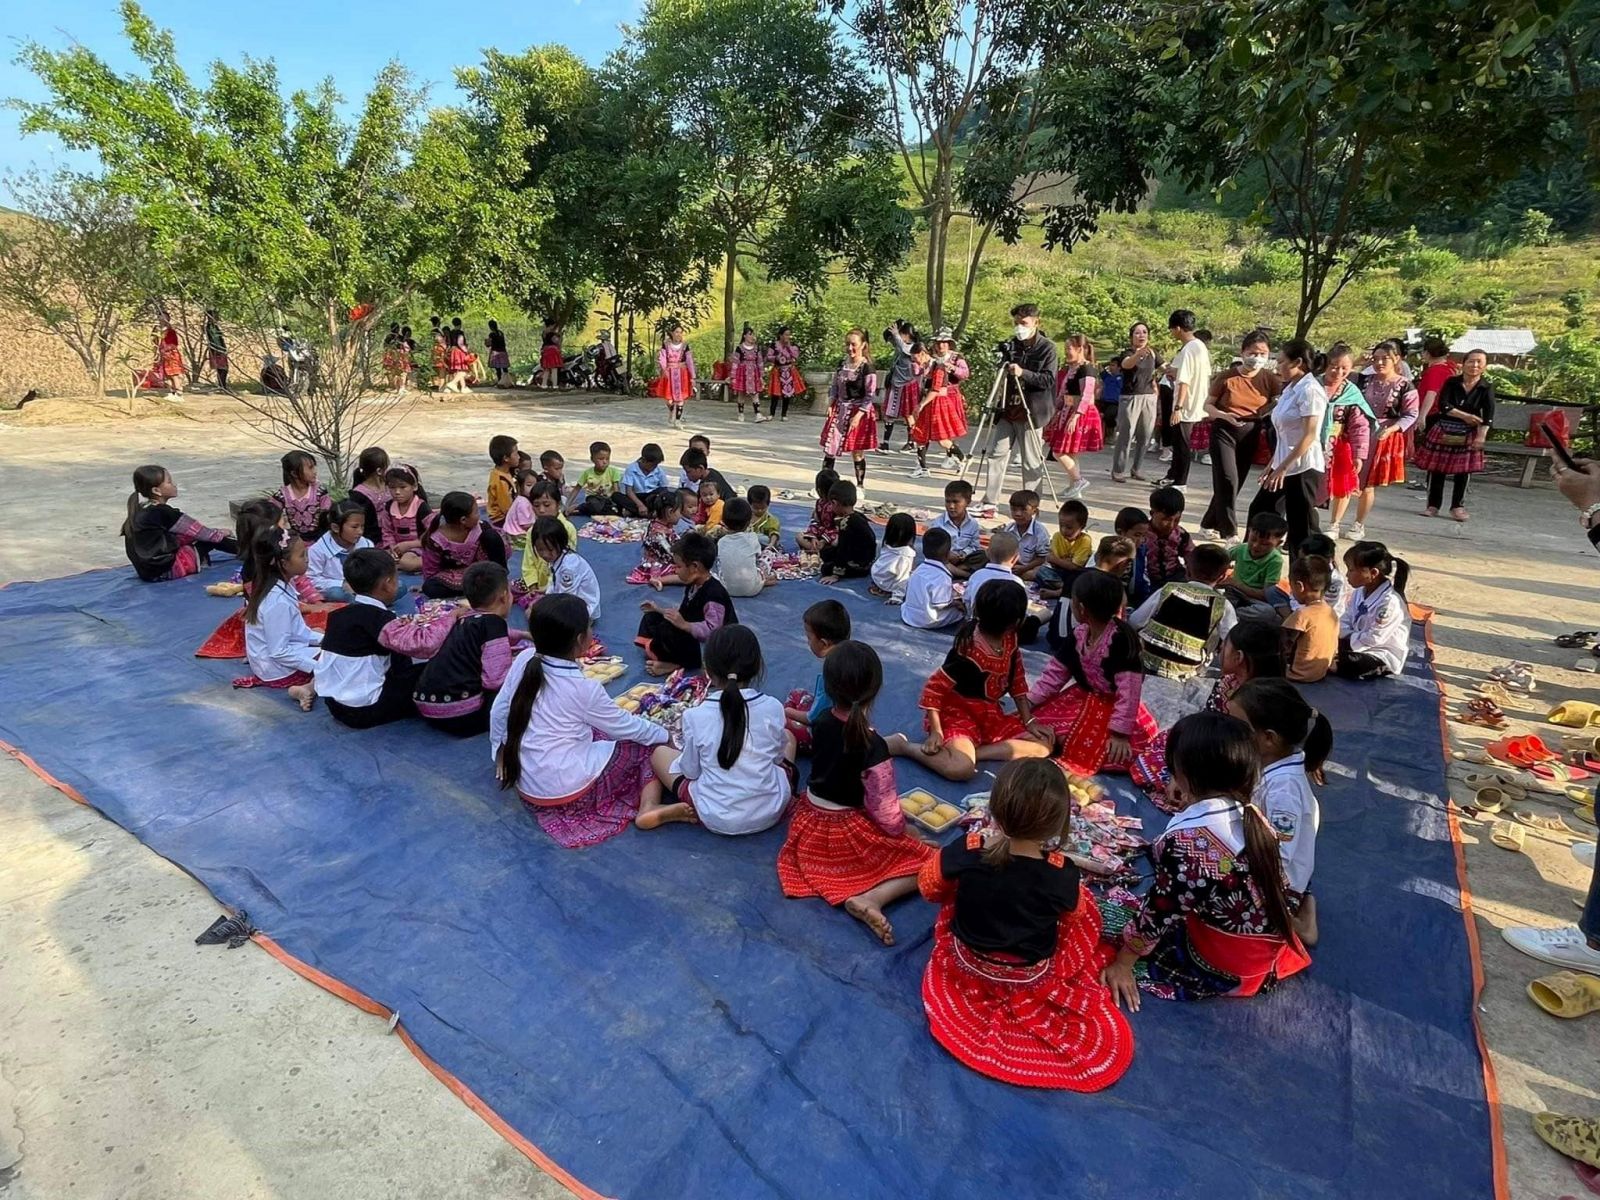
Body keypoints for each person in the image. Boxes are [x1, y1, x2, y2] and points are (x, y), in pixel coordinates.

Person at [917, 758, 1133, 1092]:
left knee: (954, 889)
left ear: (995, 810)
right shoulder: (1061, 874)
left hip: (968, 963)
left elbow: (929, 888)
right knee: (1086, 909)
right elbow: (1073, 918)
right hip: (1027, 975)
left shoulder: (967, 850)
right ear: (1057, 825)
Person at [1101, 711, 1311, 1007]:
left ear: (1183, 774)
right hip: (1262, 954)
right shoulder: (1252, 816)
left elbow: (1159, 913)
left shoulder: (1190, 845)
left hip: (1225, 965)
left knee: (1101, 915)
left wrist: (1123, 964)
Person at [776, 640, 933, 945]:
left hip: (808, 821)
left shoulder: (821, 721)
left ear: (828, 687)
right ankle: (873, 897)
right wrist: (906, 831)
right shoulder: (873, 747)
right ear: (875, 691)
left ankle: (864, 894)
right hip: (844, 830)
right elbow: (885, 811)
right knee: (931, 861)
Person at [493, 594, 671, 847]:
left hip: (528, 782)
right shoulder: (583, 688)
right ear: (580, 640)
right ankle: (649, 806)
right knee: (646, 746)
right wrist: (667, 736)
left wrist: (501, 753)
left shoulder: (524, 659)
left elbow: (499, 711)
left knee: (597, 731)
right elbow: (627, 727)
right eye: (588, 627)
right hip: (567, 789)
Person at [636, 625, 797, 832]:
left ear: (708, 670)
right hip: (770, 811)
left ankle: (650, 805)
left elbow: (691, 771)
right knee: (788, 737)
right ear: (758, 666)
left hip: (714, 814)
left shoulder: (695, 715)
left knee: (658, 753)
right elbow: (776, 758)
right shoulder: (773, 707)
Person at [889, 580, 1052, 781]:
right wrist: (936, 732)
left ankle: (974, 753)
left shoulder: (1010, 640)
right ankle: (904, 746)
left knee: (1043, 745)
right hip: (958, 716)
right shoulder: (968, 652)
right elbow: (933, 690)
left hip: (989, 717)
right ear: (1016, 622)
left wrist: (1029, 721)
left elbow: (1017, 681)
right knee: (962, 769)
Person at [1230, 678, 1332, 947]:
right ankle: (1302, 899)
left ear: (1269, 738)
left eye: (1238, 727)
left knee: (1217, 896)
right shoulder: (1271, 763)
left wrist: (1231, 867)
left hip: (1279, 882)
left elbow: (1279, 859)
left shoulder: (1283, 791)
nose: (1229, 732)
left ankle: (1296, 922)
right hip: (1279, 863)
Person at [1029, 570, 1157, 776]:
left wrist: (1119, 735)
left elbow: (1129, 693)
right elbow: (1055, 675)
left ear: (1081, 608)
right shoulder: (1079, 635)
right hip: (1083, 698)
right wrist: (1030, 702)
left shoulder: (1121, 642)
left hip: (1116, 708)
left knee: (1104, 748)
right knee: (1038, 724)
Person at [315, 548, 450, 729]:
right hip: (365, 710)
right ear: (388, 584)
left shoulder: (338, 616)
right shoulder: (378, 619)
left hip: (335, 705)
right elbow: (425, 645)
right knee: (434, 668)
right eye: (396, 579)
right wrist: (451, 617)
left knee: (401, 658)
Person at [1197, 330, 1282, 538]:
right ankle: (1230, 533)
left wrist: (1268, 410)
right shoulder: (1227, 377)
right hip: (1224, 430)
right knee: (1228, 480)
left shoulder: (1269, 378)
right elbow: (1207, 405)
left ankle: (1208, 523)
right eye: (1253, 353)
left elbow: (1278, 401)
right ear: (1243, 352)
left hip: (1251, 432)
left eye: (1262, 354)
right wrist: (1223, 415)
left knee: (1233, 485)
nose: (1257, 358)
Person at [1333, 340, 1418, 540]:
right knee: (1346, 477)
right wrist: (1356, 362)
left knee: (1367, 484)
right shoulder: (1362, 379)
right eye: (1376, 358)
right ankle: (1334, 523)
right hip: (1356, 432)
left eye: (1385, 358)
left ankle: (1358, 524)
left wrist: (1393, 429)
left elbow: (1411, 414)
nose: (1379, 363)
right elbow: (1339, 375)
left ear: (1397, 359)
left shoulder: (1405, 386)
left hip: (1382, 436)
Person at [1248, 337, 1328, 550]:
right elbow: (1285, 434)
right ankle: (1254, 561)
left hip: (1302, 467)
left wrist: (1283, 467)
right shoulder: (1290, 389)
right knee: (1260, 511)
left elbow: (1309, 435)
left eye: (1281, 361)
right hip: (1283, 464)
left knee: (1301, 528)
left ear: (1297, 362)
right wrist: (1273, 464)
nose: (1277, 367)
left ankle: (1310, 568)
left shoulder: (1310, 390)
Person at [982, 303, 1058, 508]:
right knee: (996, 454)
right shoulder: (1013, 345)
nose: (1019, 327)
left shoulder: (1048, 348)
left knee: (1031, 461)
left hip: (1032, 412)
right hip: (1008, 408)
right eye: (1016, 323)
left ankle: (1031, 504)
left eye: (1023, 323)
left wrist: (1023, 372)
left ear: (1036, 322)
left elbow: (1048, 380)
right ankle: (990, 501)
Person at [237, 527, 320, 710]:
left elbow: (298, 633)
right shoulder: (277, 602)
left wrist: (326, 640)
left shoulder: (279, 585)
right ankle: (308, 687)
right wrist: (317, 666)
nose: (307, 559)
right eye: (302, 555)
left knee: (330, 642)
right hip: (277, 670)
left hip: (273, 660)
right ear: (284, 563)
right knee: (339, 660)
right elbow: (279, 652)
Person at [1127, 542, 1237, 680]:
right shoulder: (1222, 604)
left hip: (1147, 659)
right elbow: (1233, 641)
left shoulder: (1169, 589)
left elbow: (1135, 621)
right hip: (1188, 669)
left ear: (1187, 571)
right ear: (1223, 577)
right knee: (1218, 633)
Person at [637, 532, 736, 675]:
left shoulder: (714, 594)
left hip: (714, 645)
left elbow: (713, 630)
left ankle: (676, 663)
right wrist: (658, 610)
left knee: (669, 631)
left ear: (694, 567)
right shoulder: (693, 583)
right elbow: (683, 613)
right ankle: (662, 652)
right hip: (691, 629)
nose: (675, 570)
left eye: (678, 566)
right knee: (651, 618)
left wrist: (685, 625)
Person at [1415, 348, 1495, 521]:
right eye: (1471, 361)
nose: (1474, 365)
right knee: (1437, 469)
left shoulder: (1486, 388)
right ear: (1464, 363)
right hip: (1445, 427)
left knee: (1463, 471)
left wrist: (1481, 436)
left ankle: (1457, 506)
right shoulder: (1452, 382)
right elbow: (1444, 405)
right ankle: (1433, 505)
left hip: (1469, 432)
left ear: (1485, 366)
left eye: (1479, 362)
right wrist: (1465, 416)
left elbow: (1488, 416)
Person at [122, 465, 238, 582]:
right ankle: (246, 550)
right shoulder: (162, 512)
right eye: (169, 482)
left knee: (194, 536)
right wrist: (223, 532)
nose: (174, 485)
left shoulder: (141, 509)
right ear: (156, 491)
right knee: (211, 539)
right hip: (167, 571)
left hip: (147, 573)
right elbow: (204, 533)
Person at [1337, 540, 1411, 679]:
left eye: (1351, 570)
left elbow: (1374, 638)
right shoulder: (1359, 592)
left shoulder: (1389, 603)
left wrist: (1347, 637)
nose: (1347, 575)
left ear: (1373, 573)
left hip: (1379, 654)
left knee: (1347, 662)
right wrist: (1343, 634)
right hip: (1353, 641)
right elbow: (1345, 618)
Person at [784, 599, 850, 750]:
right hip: (846, 720)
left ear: (824, 643)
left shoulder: (831, 674)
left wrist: (788, 712)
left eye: (809, 638)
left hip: (830, 734)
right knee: (797, 694)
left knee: (781, 721)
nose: (808, 642)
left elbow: (813, 718)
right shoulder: (851, 659)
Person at [820, 329, 880, 492]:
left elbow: (869, 395)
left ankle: (860, 486)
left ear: (863, 345)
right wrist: (831, 404)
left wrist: (858, 415)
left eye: (854, 344)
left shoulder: (867, 368)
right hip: (840, 409)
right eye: (847, 344)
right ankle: (824, 487)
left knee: (857, 451)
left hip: (859, 411)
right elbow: (835, 386)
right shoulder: (842, 364)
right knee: (830, 447)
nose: (850, 348)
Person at [1042, 333, 1100, 500]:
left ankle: (1078, 480)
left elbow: (1087, 395)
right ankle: (1074, 488)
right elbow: (1063, 393)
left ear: (1080, 349)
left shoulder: (1087, 369)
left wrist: (1076, 416)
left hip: (1079, 413)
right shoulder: (1073, 369)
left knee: (1059, 451)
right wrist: (1057, 410)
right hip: (1068, 410)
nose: (1066, 352)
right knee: (1070, 452)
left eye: (1069, 348)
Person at [1159, 309, 1212, 491]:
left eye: (1172, 329)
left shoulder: (1189, 349)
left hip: (1186, 404)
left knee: (1182, 445)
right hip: (1195, 401)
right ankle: (1173, 475)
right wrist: (1174, 371)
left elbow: (1185, 381)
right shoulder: (1200, 346)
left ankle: (1180, 482)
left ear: (1178, 328)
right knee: (1178, 442)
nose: (1172, 333)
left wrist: (1178, 408)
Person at [420, 491, 507, 600]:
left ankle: (495, 583)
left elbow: (500, 554)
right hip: (455, 577)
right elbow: (430, 572)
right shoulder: (436, 541)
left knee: (492, 536)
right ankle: (479, 589)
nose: (479, 515)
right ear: (463, 520)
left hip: (481, 571)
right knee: (430, 588)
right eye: (476, 512)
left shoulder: (482, 529)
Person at [1321, 343, 1374, 521]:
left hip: (1339, 444)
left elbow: (1360, 426)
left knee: (1342, 483)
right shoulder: (1312, 385)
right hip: (1311, 442)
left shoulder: (1351, 393)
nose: (1338, 372)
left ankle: (1334, 523)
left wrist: (1359, 454)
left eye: (1344, 368)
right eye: (1334, 366)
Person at [911, 328, 970, 475]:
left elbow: (965, 374)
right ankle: (923, 466)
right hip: (932, 397)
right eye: (938, 343)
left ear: (949, 343)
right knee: (923, 433)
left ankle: (956, 457)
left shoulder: (956, 358)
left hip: (948, 396)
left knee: (944, 433)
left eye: (944, 342)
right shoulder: (932, 360)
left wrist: (953, 369)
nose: (941, 345)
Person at [1111, 321, 1163, 482]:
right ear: (1131, 337)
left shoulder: (1153, 353)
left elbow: (1164, 367)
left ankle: (1137, 469)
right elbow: (1126, 364)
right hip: (1130, 397)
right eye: (1138, 332)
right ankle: (1118, 470)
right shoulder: (1127, 353)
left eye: (1144, 332)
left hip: (1149, 397)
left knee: (1145, 435)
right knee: (1125, 435)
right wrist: (1138, 354)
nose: (1142, 335)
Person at [1276, 555, 1339, 683]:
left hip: (1298, 674)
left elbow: (1283, 645)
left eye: (1291, 586)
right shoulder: (1331, 613)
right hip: (1321, 672)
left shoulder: (1302, 615)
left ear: (1300, 586)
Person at [531, 517, 601, 620]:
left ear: (561, 543)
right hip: (568, 598)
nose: (545, 554)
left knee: (538, 616)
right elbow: (555, 582)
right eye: (540, 549)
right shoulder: (558, 557)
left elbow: (566, 599)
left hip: (582, 609)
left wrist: (545, 604)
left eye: (550, 549)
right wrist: (546, 592)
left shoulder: (569, 567)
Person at [307, 499, 373, 601]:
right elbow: (312, 579)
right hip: (339, 589)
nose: (360, 531)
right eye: (354, 527)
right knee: (336, 594)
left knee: (396, 585)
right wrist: (341, 583)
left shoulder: (366, 544)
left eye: (362, 526)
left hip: (362, 587)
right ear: (336, 528)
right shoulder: (318, 550)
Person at [899, 527, 965, 629]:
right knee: (959, 611)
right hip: (927, 620)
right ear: (948, 554)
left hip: (909, 616)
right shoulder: (942, 576)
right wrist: (956, 603)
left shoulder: (918, 570)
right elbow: (941, 604)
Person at [1224, 511, 1288, 612]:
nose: (1256, 546)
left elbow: (1266, 594)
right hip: (1233, 592)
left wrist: (1236, 584)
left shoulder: (1275, 560)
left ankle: (1234, 612)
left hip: (1255, 599)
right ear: (1249, 532)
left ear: (1278, 543)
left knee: (1267, 611)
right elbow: (1219, 559)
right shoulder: (1241, 549)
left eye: (1264, 544)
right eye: (1253, 540)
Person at [818, 481, 877, 583]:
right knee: (826, 552)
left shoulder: (845, 523)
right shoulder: (858, 516)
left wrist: (835, 575)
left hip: (859, 566)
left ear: (835, 503)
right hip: (865, 558)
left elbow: (843, 550)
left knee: (825, 568)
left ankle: (838, 570)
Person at [713, 499, 774, 597]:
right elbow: (757, 557)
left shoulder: (721, 542)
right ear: (748, 522)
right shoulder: (752, 538)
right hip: (752, 589)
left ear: (723, 521)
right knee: (768, 554)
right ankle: (762, 579)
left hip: (726, 589)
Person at [878, 320, 920, 451]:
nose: (894, 342)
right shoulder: (900, 348)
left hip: (907, 386)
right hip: (895, 385)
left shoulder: (913, 348)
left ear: (906, 334)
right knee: (889, 414)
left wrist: (896, 334)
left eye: (898, 336)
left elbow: (904, 348)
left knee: (909, 415)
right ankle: (885, 444)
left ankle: (911, 442)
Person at [626, 492, 683, 587]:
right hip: (659, 567)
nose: (681, 516)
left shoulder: (655, 524)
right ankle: (659, 580)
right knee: (688, 576)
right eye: (680, 512)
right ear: (670, 512)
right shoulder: (659, 534)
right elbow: (671, 556)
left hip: (656, 562)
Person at [378, 466, 428, 574]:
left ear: (414, 487)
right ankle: (397, 563)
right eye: (392, 487)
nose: (397, 492)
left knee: (408, 562)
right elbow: (387, 531)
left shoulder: (421, 508)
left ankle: (434, 562)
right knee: (376, 557)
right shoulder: (388, 507)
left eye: (402, 487)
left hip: (417, 548)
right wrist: (392, 547)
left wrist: (409, 545)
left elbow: (432, 535)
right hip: (396, 548)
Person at [274, 450, 331, 543]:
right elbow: (271, 515)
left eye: (314, 467)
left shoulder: (320, 492)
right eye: (310, 468)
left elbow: (327, 517)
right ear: (294, 473)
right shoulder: (282, 495)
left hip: (320, 539)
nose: (315, 471)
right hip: (294, 541)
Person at [932, 479, 985, 576]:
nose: (951, 506)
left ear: (968, 502)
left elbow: (974, 546)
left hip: (963, 560)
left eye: (956, 502)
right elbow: (934, 548)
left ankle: (955, 571)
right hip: (945, 559)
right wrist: (948, 554)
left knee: (984, 555)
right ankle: (963, 574)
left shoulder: (973, 524)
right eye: (948, 501)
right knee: (935, 559)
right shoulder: (938, 523)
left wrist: (963, 554)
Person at [1144, 486, 1194, 591]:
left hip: (1175, 577)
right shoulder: (1141, 534)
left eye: (1176, 520)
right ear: (1152, 513)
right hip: (1147, 578)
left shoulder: (1181, 535)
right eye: (1165, 519)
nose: (1171, 525)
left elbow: (1192, 557)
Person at [1041, 498, 1093, 593]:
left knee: (1084, 579)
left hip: (1076, 574)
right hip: (1060, 573)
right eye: (1061, 526)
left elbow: (1075, 567)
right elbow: (1054, 564)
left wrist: (1058, 560)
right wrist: (1065, 562)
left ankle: (1063, 590)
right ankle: (1066, 589)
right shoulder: (1057, 536)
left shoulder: (1085, 540)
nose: (1064, 530)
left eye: (1069, 527)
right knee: (1041, 571)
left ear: (1082, 527)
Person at [1000, 489, 1050, 581]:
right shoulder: (1008, 529)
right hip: (1012, 565)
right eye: (1014, 509)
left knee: (1036, 573)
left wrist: (1025, 568)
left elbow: (1042, 558)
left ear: (1034, 511)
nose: (1018, 514)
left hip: (1030, 567)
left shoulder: (1040, 532)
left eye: (1023, 510)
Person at [348, 446, 396, 544]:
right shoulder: (359, 495)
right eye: (387, 466)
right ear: (379, 471)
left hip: (395, 532)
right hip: (374, 539)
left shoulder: (391, 485)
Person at [566, 441, 624, 516]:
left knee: (613, 510)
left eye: (607, 459)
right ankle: (582, 507)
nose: (605, 462)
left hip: (608, 500)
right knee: (595, 505)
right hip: (593, 499)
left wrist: (618, 504)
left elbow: (616, 491)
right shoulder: (587, 473)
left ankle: (583, 510)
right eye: (601, 459)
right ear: (592, 459)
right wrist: (567, 505)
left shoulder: (613, 472)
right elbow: (576, 489)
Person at [1412, 335, 1458, 428]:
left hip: (1433, 413)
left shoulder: (1436, 371)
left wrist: (1422, 416)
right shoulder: (1450, 367)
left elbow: (1431, 393)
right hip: (1443, 410)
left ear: (1427, 353)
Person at [870, 512, 918, 599]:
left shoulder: (888, 543)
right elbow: (902, 578)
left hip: (877, 576)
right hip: (888, 584)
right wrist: (898, 596)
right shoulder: (905, 555)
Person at [654, 324, 696, 424]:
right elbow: (662, 358)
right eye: (676, 332)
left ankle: (677, 420)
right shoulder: (666, 345)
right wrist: (664, 369)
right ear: (672, 333)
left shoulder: (685, 346)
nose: (679, 334)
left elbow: (689, 360)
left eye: (681, 332)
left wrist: (693, 376)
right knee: (669, 399)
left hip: (682, 373)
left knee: (680, 397)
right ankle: (672, 410)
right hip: (669, 373)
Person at [763, 326, 804, 422]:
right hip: (778, 370)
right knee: (775, 393)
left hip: (789, 371)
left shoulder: (792, 345)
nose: (787, 337)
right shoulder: (774, 345)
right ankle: (771, 414)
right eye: (786, 334)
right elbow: (768, 356)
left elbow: (795, 356)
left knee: (787, 393)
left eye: (789, 335)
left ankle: (784, 414)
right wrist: (776, 357)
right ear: (780, 335)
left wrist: (788, 347)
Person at [727, 323, 764, 421]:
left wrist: (761, 375)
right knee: (741, 393)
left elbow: (760, 361)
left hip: (754, 372)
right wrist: (733, 376)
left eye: (752, 334)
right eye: (749, 334)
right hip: (743, 372)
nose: (751, 336)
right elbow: (735, 362)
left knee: (755, 393)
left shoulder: (756, 348)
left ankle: (758, 414)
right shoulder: (739, 348)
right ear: (744, 336)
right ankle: (741, 413)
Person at [485, 435, 519, 526]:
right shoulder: (501, 481)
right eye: (516, 454)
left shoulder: (499, 471)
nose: (519, 457)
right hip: (500, 519)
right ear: (506, 458)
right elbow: (507, 509)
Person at [204, 309, 229, 390]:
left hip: (219, 349)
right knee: (223, 368)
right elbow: (214, 339)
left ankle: (222, 385)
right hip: (217, 349)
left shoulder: (214, 326)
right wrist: (218, 349)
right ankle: (222, 385)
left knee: (222, 368)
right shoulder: (210, 327)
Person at [537, 317, 563, 390]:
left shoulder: (544, 332)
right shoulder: (552, 333)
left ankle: (544, 384)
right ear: (551, 325)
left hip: (545, 350)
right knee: (554, 369)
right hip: (552, 351)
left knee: (546, 369)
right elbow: (556, 341)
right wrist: (559, 336)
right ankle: (554, 385)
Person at [485, 319, 510, 386]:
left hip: (495, 352)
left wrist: (486, 342)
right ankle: (507, 382)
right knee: (505, 368)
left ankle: (500, 382)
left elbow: (489, 344)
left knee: (498, 369)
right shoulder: (501, 333)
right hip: (503, 352)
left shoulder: (492, 334)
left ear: (490, 327)